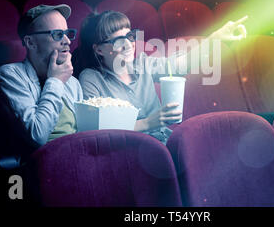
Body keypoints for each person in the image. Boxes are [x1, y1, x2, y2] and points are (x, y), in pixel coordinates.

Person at [73, 10, 247, 144]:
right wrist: (148, 123)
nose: (128, 44)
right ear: (99, 49)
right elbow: (98, 130)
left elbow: (181, 64)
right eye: (118, 40)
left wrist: (215, 38)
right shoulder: (90, 78)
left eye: (130, 36)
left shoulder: (142, 63)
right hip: (129, 152)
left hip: (165, 142)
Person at [0, 4, 82, 167]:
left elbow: (84, 133)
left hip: (77, 160)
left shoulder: (72, 82)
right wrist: (55, 81)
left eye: (68, 33)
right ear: (31, 42)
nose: (67, 41)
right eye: (58, 34)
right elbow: (38, 135)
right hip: (42, 166)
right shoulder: (11, 75)